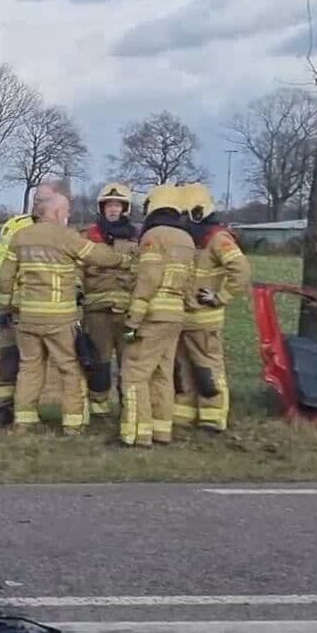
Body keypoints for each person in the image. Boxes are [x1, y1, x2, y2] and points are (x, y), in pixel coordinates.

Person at [0, 187, 127, 434]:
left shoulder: (20, 238)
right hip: (59, 318)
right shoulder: (65, 236)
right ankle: (73, 423)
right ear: (56, 212)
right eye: (66, 211)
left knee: (30, 367)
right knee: (70, 367)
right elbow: (97, 255)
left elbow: (5, 279)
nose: (67, 215)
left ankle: (24, 420)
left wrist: (7, 308)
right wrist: (125, 260)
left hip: (27, 318)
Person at [119, 185, 200, 446]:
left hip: (153, 314)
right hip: (175, 315)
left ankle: (135, 433)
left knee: (134, 374)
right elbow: (191, 282)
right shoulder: (187, 239)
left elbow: (148, 279)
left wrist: (133, 321)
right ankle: (162, 430)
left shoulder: (154, 236)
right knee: (163, 373)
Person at [175, 182, 252, 432]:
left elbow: (241, 270)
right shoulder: (187, 240)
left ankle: (213, 416)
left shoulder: (217, 239)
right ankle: (183, 415)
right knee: (183, 369)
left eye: (187, 214)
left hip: (205, 318)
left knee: (207, 368)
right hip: (182, 318)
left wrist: (221, 297)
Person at [79, 183, 141, 418]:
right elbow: (78, 267)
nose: (113, 210)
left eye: (118, 205)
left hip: (128, 313)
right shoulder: (89, 236)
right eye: (109, 205)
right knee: (99, 361)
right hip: (98, 311)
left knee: (130, 363)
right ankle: (98, 408)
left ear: (125, 209)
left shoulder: (138, 238)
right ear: (102, 208)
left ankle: (129, 408)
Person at [0, 211, 36, 425]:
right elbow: (1, 262)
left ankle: (16, 408)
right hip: (17, 304)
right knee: (12, 355)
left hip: (28, 303)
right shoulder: (17, 226)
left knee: (22, 358)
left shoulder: (54, 226)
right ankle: (4, 407)